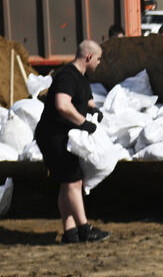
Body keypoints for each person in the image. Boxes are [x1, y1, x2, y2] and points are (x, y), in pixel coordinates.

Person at [32, 40, 111, 244]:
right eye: (99, 59)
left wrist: (94, 111)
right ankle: (85, 229)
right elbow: (62, 105)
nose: (99, 63)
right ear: (88, 57)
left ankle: (70, 233)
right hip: (53, 137)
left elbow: (86, 100)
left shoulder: (82, 78)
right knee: (73, 181)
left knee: (66, 184)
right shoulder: (67, 76)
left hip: (64, 137)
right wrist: (84, 123)